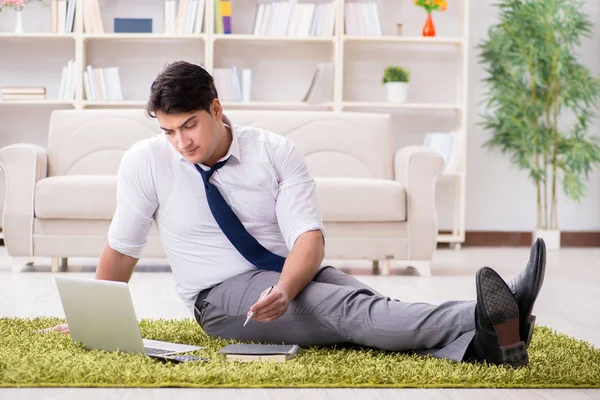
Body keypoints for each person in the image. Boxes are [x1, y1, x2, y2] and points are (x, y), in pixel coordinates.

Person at [44, 61, 546, 368]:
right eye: (169, 131)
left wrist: (285, 289)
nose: (181, 143)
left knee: (366, 302)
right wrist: (86, 315)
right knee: (354, 314)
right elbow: (123, 246)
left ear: (216, 109)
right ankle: (497, 314)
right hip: (222, 299)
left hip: (291, 274)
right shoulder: (146, 161)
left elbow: (308, 237)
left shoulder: (276, 152)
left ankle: (483, 347)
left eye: (189, 126)